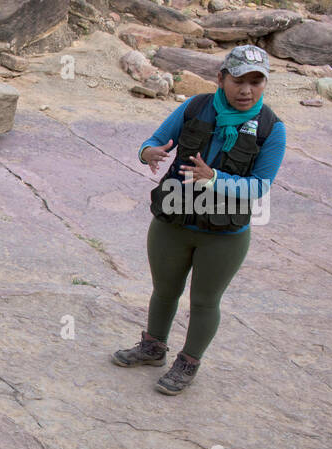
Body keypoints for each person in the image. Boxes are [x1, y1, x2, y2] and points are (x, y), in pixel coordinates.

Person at [112, 44, 287, 395]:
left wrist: (216, 179)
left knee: (205, 301)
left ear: (265, 85)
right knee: (164, 291)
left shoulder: (272, 128)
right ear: (221, 78)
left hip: (223, 234)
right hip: (172, 221)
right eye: (238, 80)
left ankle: (188, 362)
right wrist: (148, 152)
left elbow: (259, 187)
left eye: (256, 82)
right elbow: (155, 139)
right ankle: (153, 347)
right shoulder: (194, 107)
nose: (246, 90)